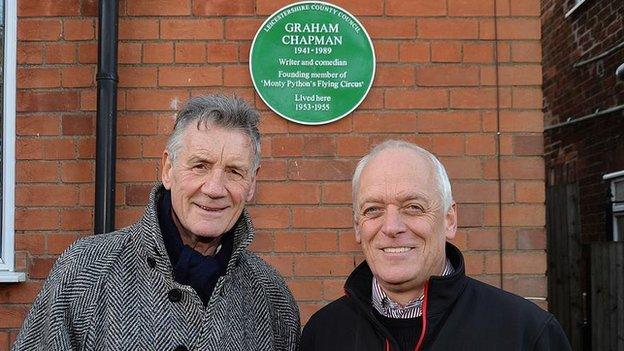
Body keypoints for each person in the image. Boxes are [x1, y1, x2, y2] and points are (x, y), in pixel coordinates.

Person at [13, 95, 300, 351]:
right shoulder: (85, 270)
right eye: (200, 165)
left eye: (235, 172)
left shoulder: (271, 296)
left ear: (252, 184)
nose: (214, 188)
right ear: (168, 169)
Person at [300, 140, 571, 351]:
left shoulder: (525, 333)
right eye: (373, 209)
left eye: (413, 207)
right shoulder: (322, 334)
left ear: (449, 220)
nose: (392, 227)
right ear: (358, 227)